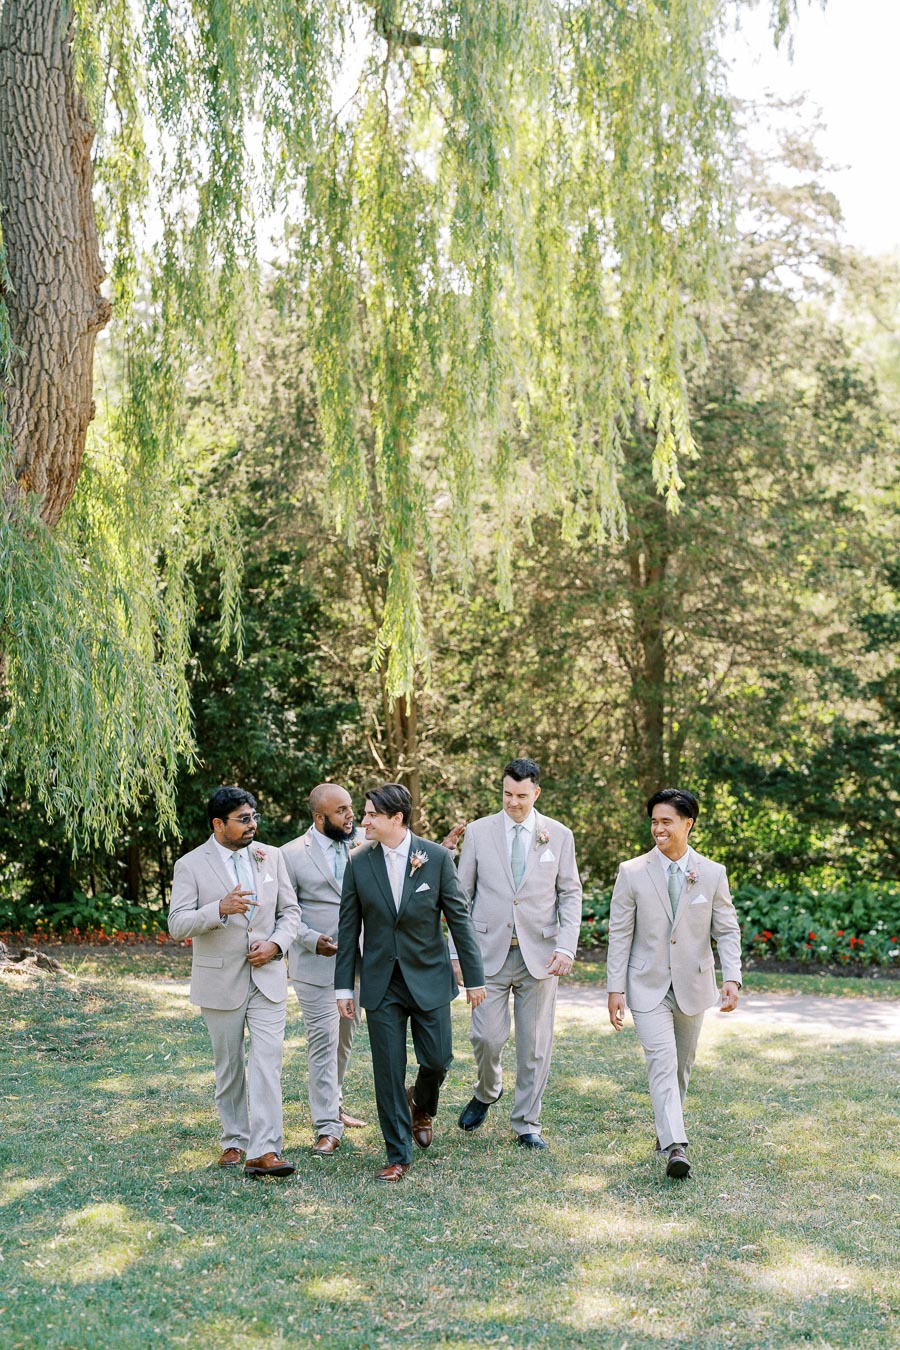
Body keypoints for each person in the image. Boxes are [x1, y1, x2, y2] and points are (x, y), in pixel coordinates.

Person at [334, 783, 486, 1181]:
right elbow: (348, 929)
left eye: (370, 814)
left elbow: (460, 920)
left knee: (437, 1060)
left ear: (396, 819)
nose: (362, 820)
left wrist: (474, 978)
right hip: (382, 982)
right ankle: (397, 1154)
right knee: (388, 1069)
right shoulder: (358, 861)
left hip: (430, 977)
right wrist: (343, 987)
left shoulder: (435, 858)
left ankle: (421, 1104)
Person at [606, 788, 742, 1179]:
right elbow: (620, 933)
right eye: (654, 821)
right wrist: (615, 989)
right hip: (645, 984)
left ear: (688, 823)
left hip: (694, 985)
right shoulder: (631, 872)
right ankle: (675, 1146)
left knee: (682, 1066)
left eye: (666, 821)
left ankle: (668, 1126)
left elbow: (727, 930)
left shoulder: (713, 873)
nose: (658, 829)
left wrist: (731, 976)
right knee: (661, 1062)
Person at [168, 786, 301, 1178]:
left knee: (267, 1063)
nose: (252, 825)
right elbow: (177, 925)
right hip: (219, 980)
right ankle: (234, 1139)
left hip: (267, 978)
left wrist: (276, 945)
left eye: (254, 817)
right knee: (229, 1067)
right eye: (244, 819)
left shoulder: (271, 856)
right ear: (217, 824)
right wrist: (218, 910)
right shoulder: (190, 865)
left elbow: (290, 912)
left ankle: (265, 1151)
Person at [453, 758, 582, 1149]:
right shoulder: (478, 832)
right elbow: (461, 897)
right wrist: (458, 955)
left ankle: (527, 1122)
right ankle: (487, 1089)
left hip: (540, 955)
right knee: (486, 1038)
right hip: (486, 953)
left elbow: (570, 892)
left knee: (534, 1045)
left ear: (536, 793)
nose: (513, 802)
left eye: (521, 796)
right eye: (508, 794)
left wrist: (566, 946)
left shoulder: (558, 835)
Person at [281, 783, 367, 1156]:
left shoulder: (368, 840)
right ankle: (327, 1126)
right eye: (341, 811)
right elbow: (284, 911)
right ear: (319, 817)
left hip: (361, 961)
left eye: (351, 808)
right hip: (316, 963)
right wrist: (310, 938)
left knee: (344, 1039)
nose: (351, 816)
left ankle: (336, 1102)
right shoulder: (289, 855)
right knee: (323, 1040)